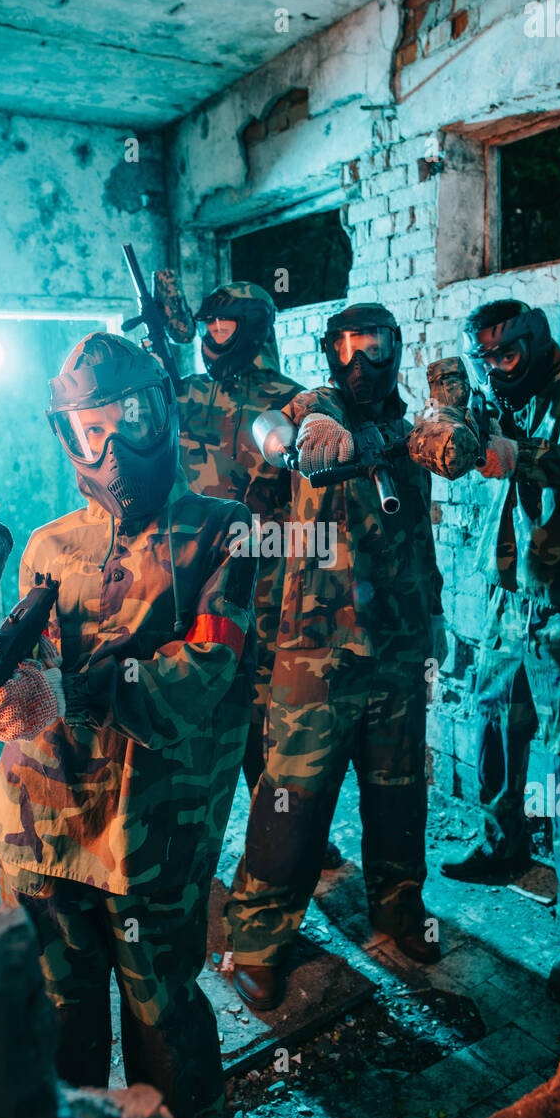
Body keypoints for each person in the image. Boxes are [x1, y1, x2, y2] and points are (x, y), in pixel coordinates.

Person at [0, 332, 257, 1118]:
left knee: (163, 1017)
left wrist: (77, 688)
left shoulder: (223, 529)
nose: (108, 449)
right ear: (65, 437)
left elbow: (204, 673)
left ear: (160, 412)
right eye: (86, 431)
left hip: (151, 835)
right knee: (57, 1027)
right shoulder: (50, 545)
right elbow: (32, 676)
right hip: (35, 828)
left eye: (126, 421)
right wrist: (6, 692)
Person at [408, 300, 560, 1001]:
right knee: (490, 717)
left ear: (535, 344)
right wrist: (447, 425)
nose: (496, 369)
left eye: (507, 356)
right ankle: (499, 841)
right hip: (510, 593)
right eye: (486, 359)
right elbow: (464, 436)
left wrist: (528, 457)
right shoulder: (497, 392)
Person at [224, 303, 446, 1010]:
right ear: (327, 353)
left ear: (395, 348)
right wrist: (310, 429)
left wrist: (434, 624)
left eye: (375, 346)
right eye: (347, 348)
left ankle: (398, 909)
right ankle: (254, 946)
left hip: (399, 648)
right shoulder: (312, 409)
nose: (361, 362)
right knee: (291, 805)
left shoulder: (413, 436)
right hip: (314, 653)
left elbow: (418, 540)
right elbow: (277, 434)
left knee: (397, 793)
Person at [178, 282, 343, 868]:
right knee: (196, 701)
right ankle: (189, 838)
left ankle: (287, 836)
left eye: (224, 327)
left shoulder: (290, 400)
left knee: (273, 717)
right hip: (194, 579)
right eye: (207, 327)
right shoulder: (183, 394)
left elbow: (316, 499)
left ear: (250, 328)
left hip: (271, 582)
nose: (213, 338)